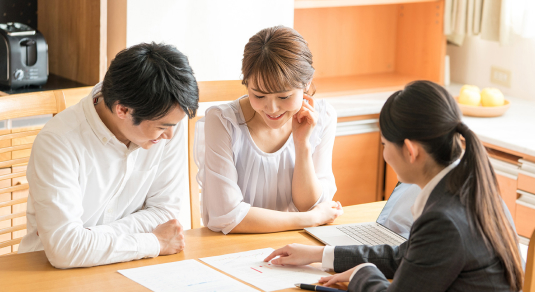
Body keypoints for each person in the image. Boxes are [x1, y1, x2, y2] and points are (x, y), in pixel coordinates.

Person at [264, 80, 524, 291]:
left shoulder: (443, 219)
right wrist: (319, 254)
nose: (385, 154)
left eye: (385, 145)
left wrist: (362, 275)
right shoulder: (466, 186)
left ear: (410, 151)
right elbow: (403, 257)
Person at [18, 43, 199, 268]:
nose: (170, 135)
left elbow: (165, 213)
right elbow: (64, 251)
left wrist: (89, 239)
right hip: (50, 274)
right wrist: (153, 242)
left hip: (131, 266)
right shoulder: (58, 141)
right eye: (162, 128)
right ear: (122, 110)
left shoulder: (167, 121)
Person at [194, 26, 343, 234]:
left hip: (297, 243)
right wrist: (310, 219)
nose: (272, 109)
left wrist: (302, 145)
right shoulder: (222, 122)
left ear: (307, 83)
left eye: (284, 97)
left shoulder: (322, 117)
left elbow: (309, 204)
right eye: (259, 95)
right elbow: (227, 215)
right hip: (234, 247)